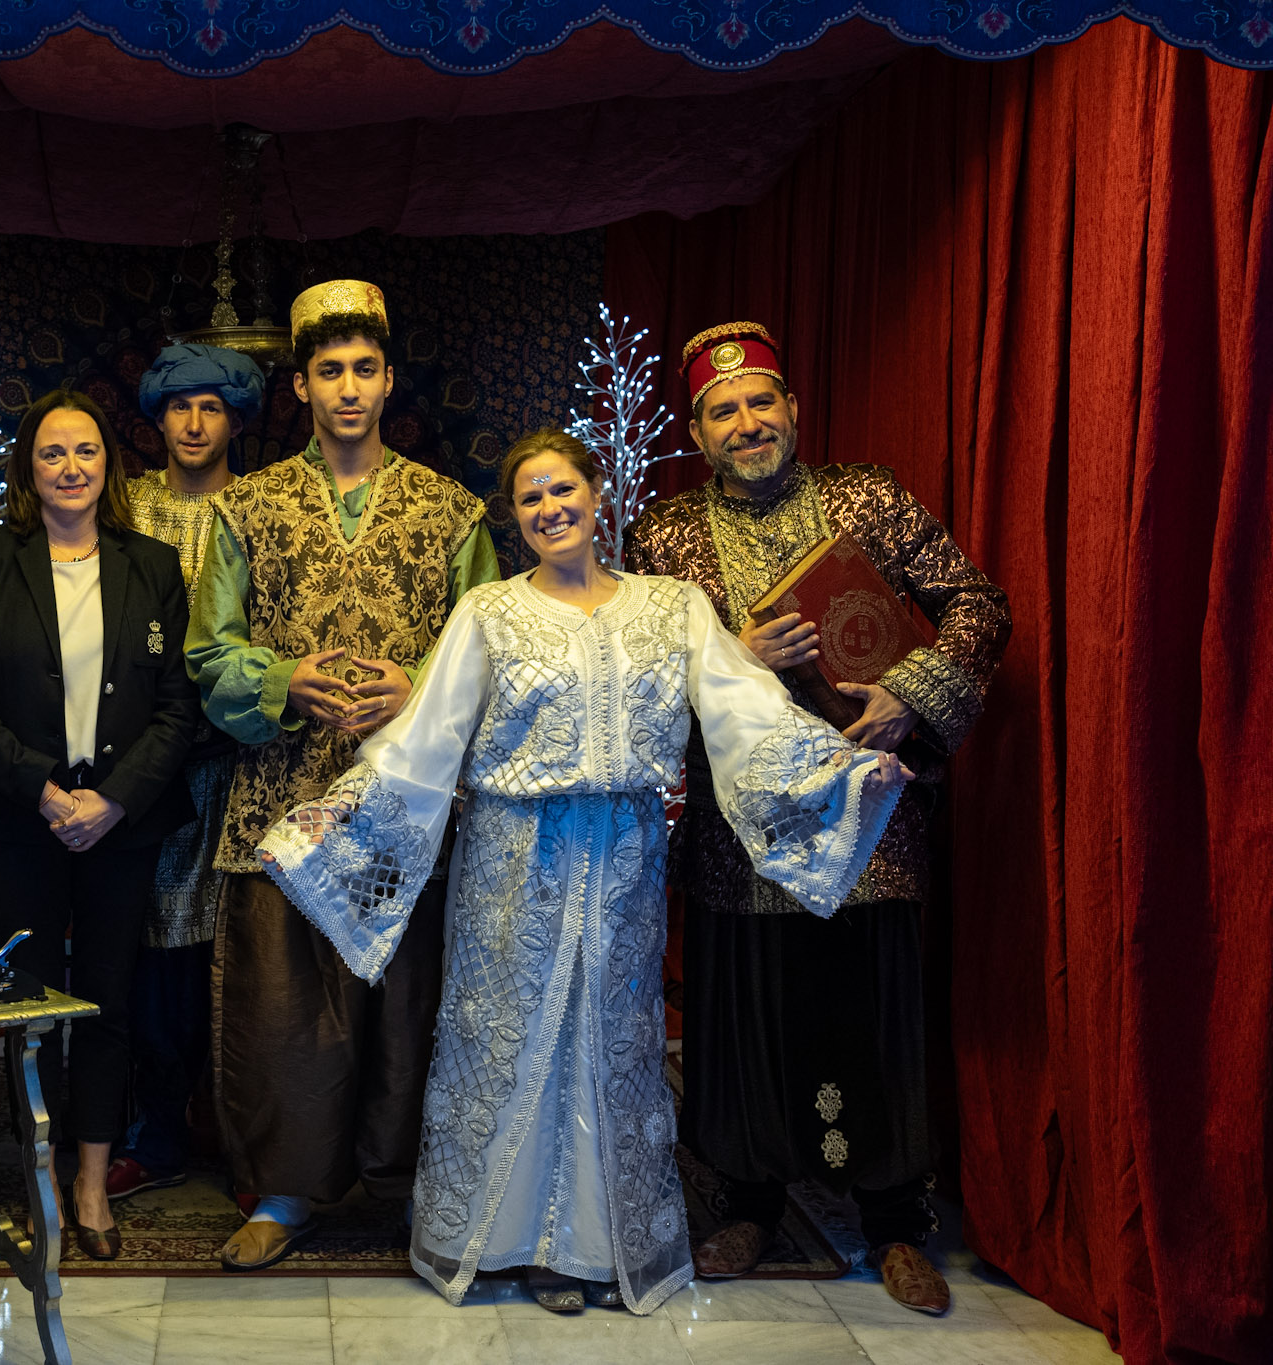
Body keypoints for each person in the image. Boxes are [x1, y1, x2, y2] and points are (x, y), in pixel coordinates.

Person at [260, 428, 909, 1313]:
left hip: (625, 857)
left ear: (599, 494)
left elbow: (744, 710)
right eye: (529, 498)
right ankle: (506, 1240)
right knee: (510, 1040)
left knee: (610, 1042)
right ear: (516, 516)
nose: (548, 509)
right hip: (511, 856)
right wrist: (327, 826)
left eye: (562, 489)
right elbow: (428, 738)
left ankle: (594, 1242)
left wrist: (842, 771)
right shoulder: (488, 611)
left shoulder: (672, 605)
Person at [624, 323, 1010, 1315]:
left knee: (867, 1008)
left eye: (760, 402)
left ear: (792, 408)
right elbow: (641, 682)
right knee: (745, 1011)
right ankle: (746, 1205)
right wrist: (735, 654)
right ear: (695, 431)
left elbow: (973, 602)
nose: (745, 423)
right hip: (738, 827)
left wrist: (911, 694)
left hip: (865, 808)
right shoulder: (661, 536)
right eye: (722, 411)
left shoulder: (866, 498)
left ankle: (891, 1222)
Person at [187, 280, 500, 1271]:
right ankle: (286, 1195)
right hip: (285, 799)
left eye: (365, 368)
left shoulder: (451, 509)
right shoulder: (247, 506)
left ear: (388, 379)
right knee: (288, 1011)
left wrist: (421, 688)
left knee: (411, 1004)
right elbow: (208, 654)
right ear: (302, 386)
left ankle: (418, 1190)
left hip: (406, 806)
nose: (348, 387)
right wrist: (284, 679)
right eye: (329, 371)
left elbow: (492, 647)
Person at [0, 389, 199, 1259]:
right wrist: (47, 794)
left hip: (122, 819)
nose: (71, 467)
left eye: (86, 451)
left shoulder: (153, 564)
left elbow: (176, 707)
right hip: (21, 819)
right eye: (53, 453)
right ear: (29, 468)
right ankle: (42, 1175)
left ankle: (93, 1180)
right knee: (30, 1002)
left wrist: (114, 798)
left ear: (107, 464)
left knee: (109, 1001)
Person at [105, 343, 265, 1202]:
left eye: (213, 407)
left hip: (245, 764)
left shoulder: (266, 508)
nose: (196, 423)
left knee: (247, 957)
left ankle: (248, 1139)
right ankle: (157, 1131)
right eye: (179, 407)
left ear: (237, 419)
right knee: (159, 958)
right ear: (158, 418)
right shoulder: (122, 510)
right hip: (153, 772)